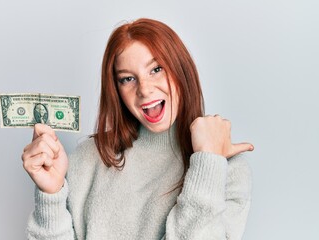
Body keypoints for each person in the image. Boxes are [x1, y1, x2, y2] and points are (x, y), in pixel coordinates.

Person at [22, 18, 254, 240]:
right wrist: (51, 195)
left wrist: (208, 162)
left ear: (181, 69)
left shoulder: (226, 169)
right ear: (117, 89)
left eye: (156, 69)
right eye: (127, 79)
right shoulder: (88, 157)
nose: (144, 89)